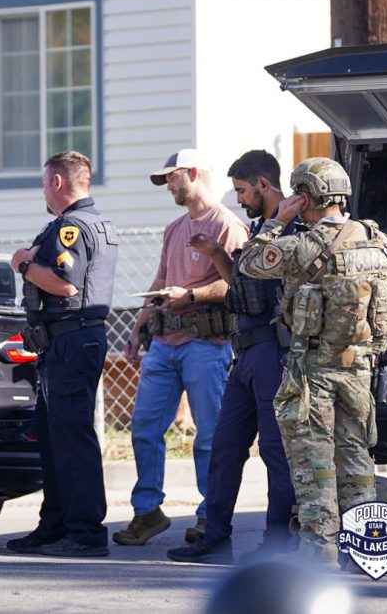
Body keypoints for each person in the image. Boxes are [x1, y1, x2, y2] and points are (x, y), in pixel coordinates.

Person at [237, 157, 387, 565]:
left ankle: (320, 554)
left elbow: (249, 263)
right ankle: (366, 551)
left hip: (313, 371)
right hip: (359, 369)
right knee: (356, 459)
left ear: (305, 196)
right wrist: (374, 342)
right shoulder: (379, 241)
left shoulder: (304, 245)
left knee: (314, 464)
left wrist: (278, 219)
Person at [167, 150, 296, 564]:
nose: (238, 199)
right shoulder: (263, 228)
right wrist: (218, 255)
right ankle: (215, 533)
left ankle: (278, 543)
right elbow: (244, 287)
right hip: (246, 352)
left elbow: (271, 282)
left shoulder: (290, 231)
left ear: (263, 184)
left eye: (242, 190)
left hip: (275, 353)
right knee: (224, 447)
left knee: (276, 452)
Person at [115, 148, 247, 547]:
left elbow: (236, 285)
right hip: (164, 341)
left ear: (192, 173)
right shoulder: (174, 228)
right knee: (143, 429)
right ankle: (147, 511)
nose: (168, 186)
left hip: (206, 344)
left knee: (209, 437)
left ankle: (211, 517)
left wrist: (189, 295)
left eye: (171, 178)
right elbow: (161, 277)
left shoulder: (228, 225)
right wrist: (139, 325)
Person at [6, 150, 118, 557]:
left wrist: (22, 265)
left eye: (43, 183)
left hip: (71, 339)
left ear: (57, 182)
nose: (43, 191)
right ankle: (55, 525)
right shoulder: (96, 222)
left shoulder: (70, 227)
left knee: (70, 438)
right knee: (54, 437)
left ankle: (85, 532)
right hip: (70, 341)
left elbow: (65, 284)